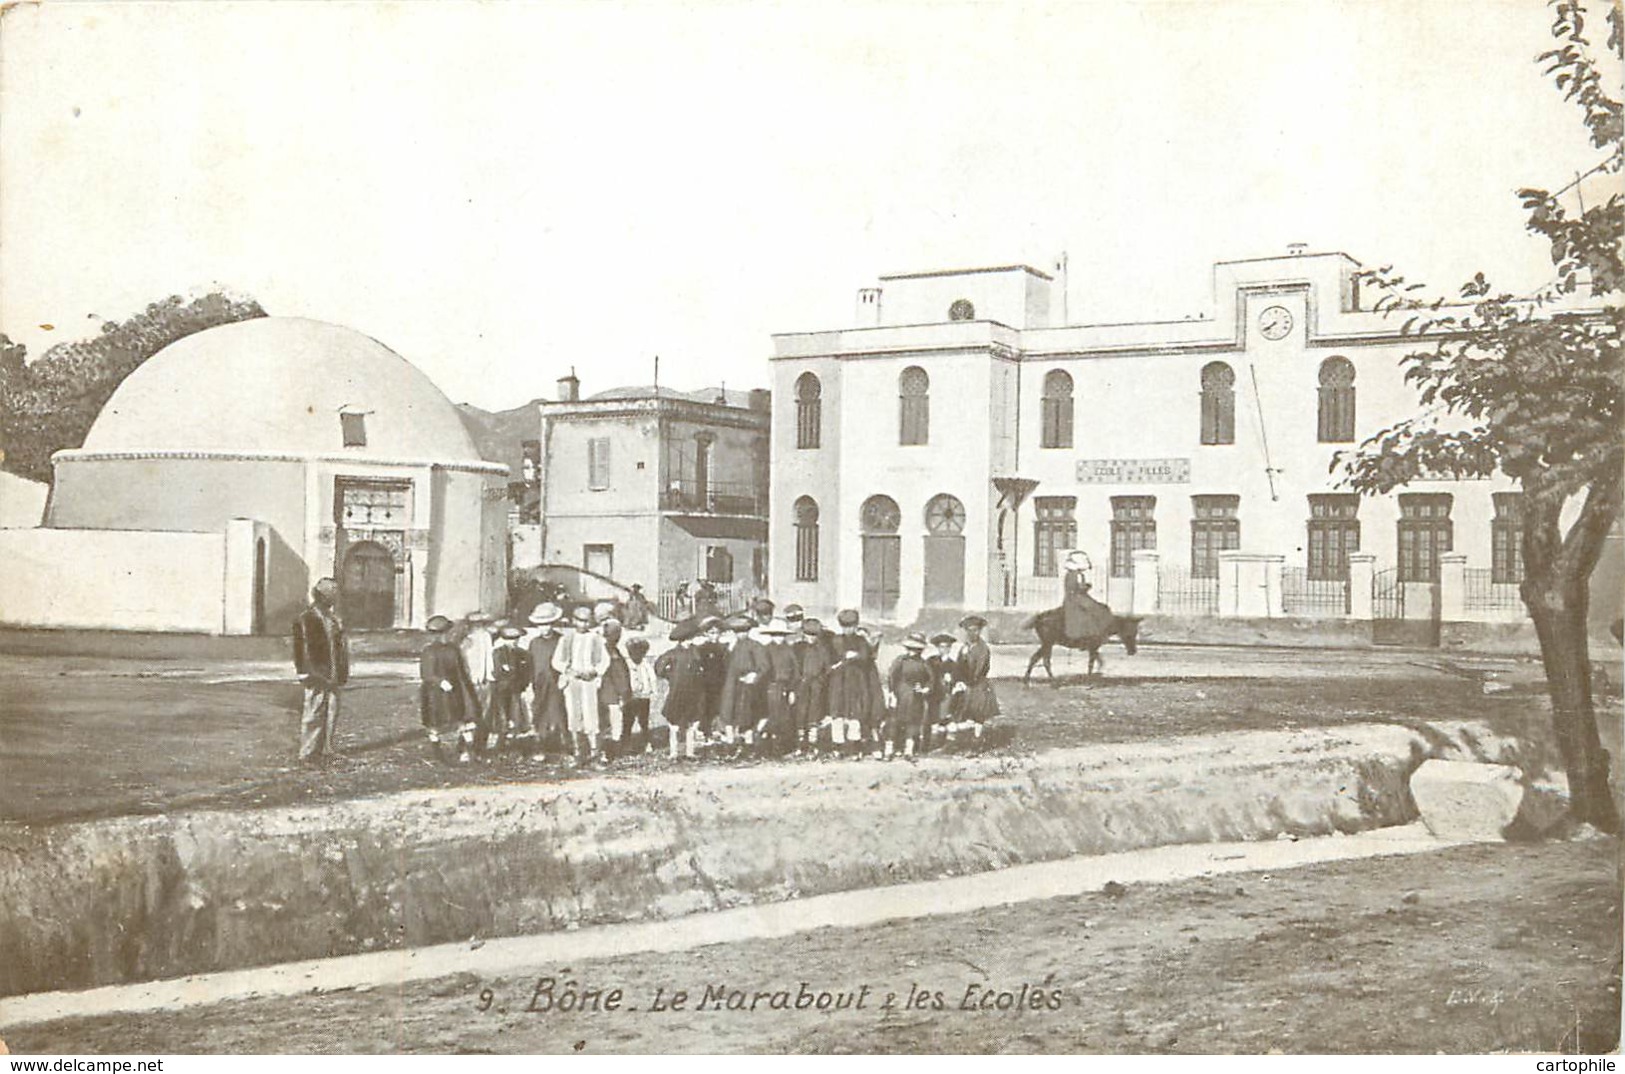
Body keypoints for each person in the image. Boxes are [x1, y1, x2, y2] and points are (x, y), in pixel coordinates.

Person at [292, 577, 350, 765]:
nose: (335, 597)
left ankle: (327, 749)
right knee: (314, 713)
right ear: (322, 595)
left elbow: (340, 647)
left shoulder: (333, 619)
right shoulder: (307, 618)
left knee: (332, 710)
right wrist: (305, 671)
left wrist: (342, 671)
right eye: (331, 593)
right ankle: (307, 753)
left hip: (333, 673)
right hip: (316, 673)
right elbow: (301, 648)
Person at [552, 605, 611, 765]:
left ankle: (595, 752)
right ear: (573, 621)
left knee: (591, 715)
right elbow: (556, 661)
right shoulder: (566, 639)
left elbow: (605, 661)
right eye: (580, 621)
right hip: (572, 680)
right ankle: (578, 752)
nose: (583, 625)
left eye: (586, 621)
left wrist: (594, 671)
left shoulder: (596, 639)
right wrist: (568, 669)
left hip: (589, 681)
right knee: (573, 714)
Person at [419, 614, 478, 762]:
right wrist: (439, 682)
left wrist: (465, 686)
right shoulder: (428, 651)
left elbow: (460, 670)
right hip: (435, 694)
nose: (444, 636)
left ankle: (468, 751)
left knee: (462, 718)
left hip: (456, 690)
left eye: (446, 632)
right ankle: (437, 752)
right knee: (435, 722)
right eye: (441, 633)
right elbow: (427, 674)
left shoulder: (453, 649)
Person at [826, 609, 883, 758]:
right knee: (837, 712)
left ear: (856, 625)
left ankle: (853, 747)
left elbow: (865, 657)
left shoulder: (860, 640)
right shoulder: (836, 640)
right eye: (845, 626)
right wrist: (844, 659)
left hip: (856, 681)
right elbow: (831, 659)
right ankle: (837, 746)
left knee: (855, 712)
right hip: (839, 680)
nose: (848, 629)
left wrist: (854, 655)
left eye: (851, 626)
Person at [655, 618, 706, 760]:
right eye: (689, 639)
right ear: (683, 639)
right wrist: (669, 675)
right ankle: (674, 752)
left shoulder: (695, 652)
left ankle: (688, 752)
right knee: (675, 724)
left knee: (689, 723)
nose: (691, 641)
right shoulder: (674, 654)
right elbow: (659, 668)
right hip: (678, 692)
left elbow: (701, 668)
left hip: (691, 692)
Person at [718, 613, 769, 753]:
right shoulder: (730, 647)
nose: (741, 634)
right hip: (731, 684)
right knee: (728, 712)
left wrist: (755, 676)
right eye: (738, 631)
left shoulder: (755, 646)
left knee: (746, 714)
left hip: (747, 685)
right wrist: (728, 649)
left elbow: (764, 666)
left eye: (744, 631)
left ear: (749, 631)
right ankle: (730, 743)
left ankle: (748, 744)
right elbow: (723, 664)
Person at [885, 632, 934, 760]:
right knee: (894, 722)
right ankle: (889, 750)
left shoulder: (924, 664)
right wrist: (892, 693)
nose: (913, 652)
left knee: (913, 722)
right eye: (911, 649)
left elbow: (931, 680)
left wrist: (924, 689)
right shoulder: (900, 660)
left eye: (916, 649)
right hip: (900, 694)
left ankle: (909, 750)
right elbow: (891, 676)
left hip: (915, 696)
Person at [958, 615, 999, 750]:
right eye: (969, 630)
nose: (972, 633)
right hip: (967, 683)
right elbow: (958, 666)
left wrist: (969, 680)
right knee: (962, 711)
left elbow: (980, 668)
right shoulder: (965, 647)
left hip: (978, 684)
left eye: (975, 630)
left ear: (979, 631)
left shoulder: (982, 648)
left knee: (978, 714)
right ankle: (957, 741)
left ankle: (977, 742)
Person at [491, 625, 534, 754]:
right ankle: (501, 744)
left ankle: (514, 744)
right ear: (504, 639)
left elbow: (527, 672)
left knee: (516, 716)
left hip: (516, 690)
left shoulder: (523, 654)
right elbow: (497, 671)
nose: (513, 642)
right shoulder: (498, 653)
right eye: (510, 639)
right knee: (502, 717)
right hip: (502, 690)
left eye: (516, 639)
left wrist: (524, 685)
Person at [760, 618, 800, 756]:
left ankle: (781, 746)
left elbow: (796, 671)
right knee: (772, 715)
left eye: (781, 635)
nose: (779, 638)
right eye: (776, 635)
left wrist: (792, 690)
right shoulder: (765, 649)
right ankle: (768, 745)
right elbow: (763, 669)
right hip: (770, 686)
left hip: (785, 686)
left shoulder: (789, 650)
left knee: (784, 717)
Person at [791, 617, 830, 755]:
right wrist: (796, 683)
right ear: (803, 633)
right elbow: (793, 667)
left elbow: (827, 668)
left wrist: (820, 680)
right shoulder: (798, 648)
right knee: (800, 712)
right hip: (801, 684)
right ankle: (800, 743)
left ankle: (813, 744)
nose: (811, 638)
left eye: (814, 635)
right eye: (808, 635)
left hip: (816, 685)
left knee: (814, 712)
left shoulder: (823, 649)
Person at [459, 612, 498, 752]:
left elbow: (489, 659)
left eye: (481, 624)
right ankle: (465, 746)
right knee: (470, 714)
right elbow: (464, 663)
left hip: (485, 681)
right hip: (472, 682)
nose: (478, 627)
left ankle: (480, 745)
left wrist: (489, 676)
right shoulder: (466, 641)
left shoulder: (486, 637)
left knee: (485, 714)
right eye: (476, 625)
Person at [598, 618, 631, 758]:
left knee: (611, 720)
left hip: (609, 691)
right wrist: (623, 691)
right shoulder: (610, 652)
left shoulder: (613, 650)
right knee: (613, 719)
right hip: (610, 691)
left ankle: (612, 747)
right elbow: (619, 675)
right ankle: (612, 749)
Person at [925, 632, 964, 753]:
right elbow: (926, 675)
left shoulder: (954, 665)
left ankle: (949, 745)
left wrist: (954, 682)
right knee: (933, 719)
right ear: (937, 648)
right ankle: (932, 744)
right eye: (942, 647)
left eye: (947, 647)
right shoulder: (931, 661)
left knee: (948, 718)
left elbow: (958, 679)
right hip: (933, 695)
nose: (945, 650)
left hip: (947, 696)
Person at [694, 616, 727, 749]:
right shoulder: (702, 649)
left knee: (719, 706)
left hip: (720, 681)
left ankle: (718, 731)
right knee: (706, 707)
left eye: (717, 633)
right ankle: (706, 732)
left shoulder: (723, 648)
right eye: (711, 633)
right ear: (706, 634)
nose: (714, 636)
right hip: (706, 683)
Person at [622, 635, 657, 754]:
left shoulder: (645, 664)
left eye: (640, 653)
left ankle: (646, 743)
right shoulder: (627, 664)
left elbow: (652, 678)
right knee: (628, 721)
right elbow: (623, 678)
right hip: (630, 697)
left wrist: (653, 690)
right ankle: (626, 744)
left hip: (643, 696)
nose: (636, 656)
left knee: (644, 721)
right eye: (633, 653)